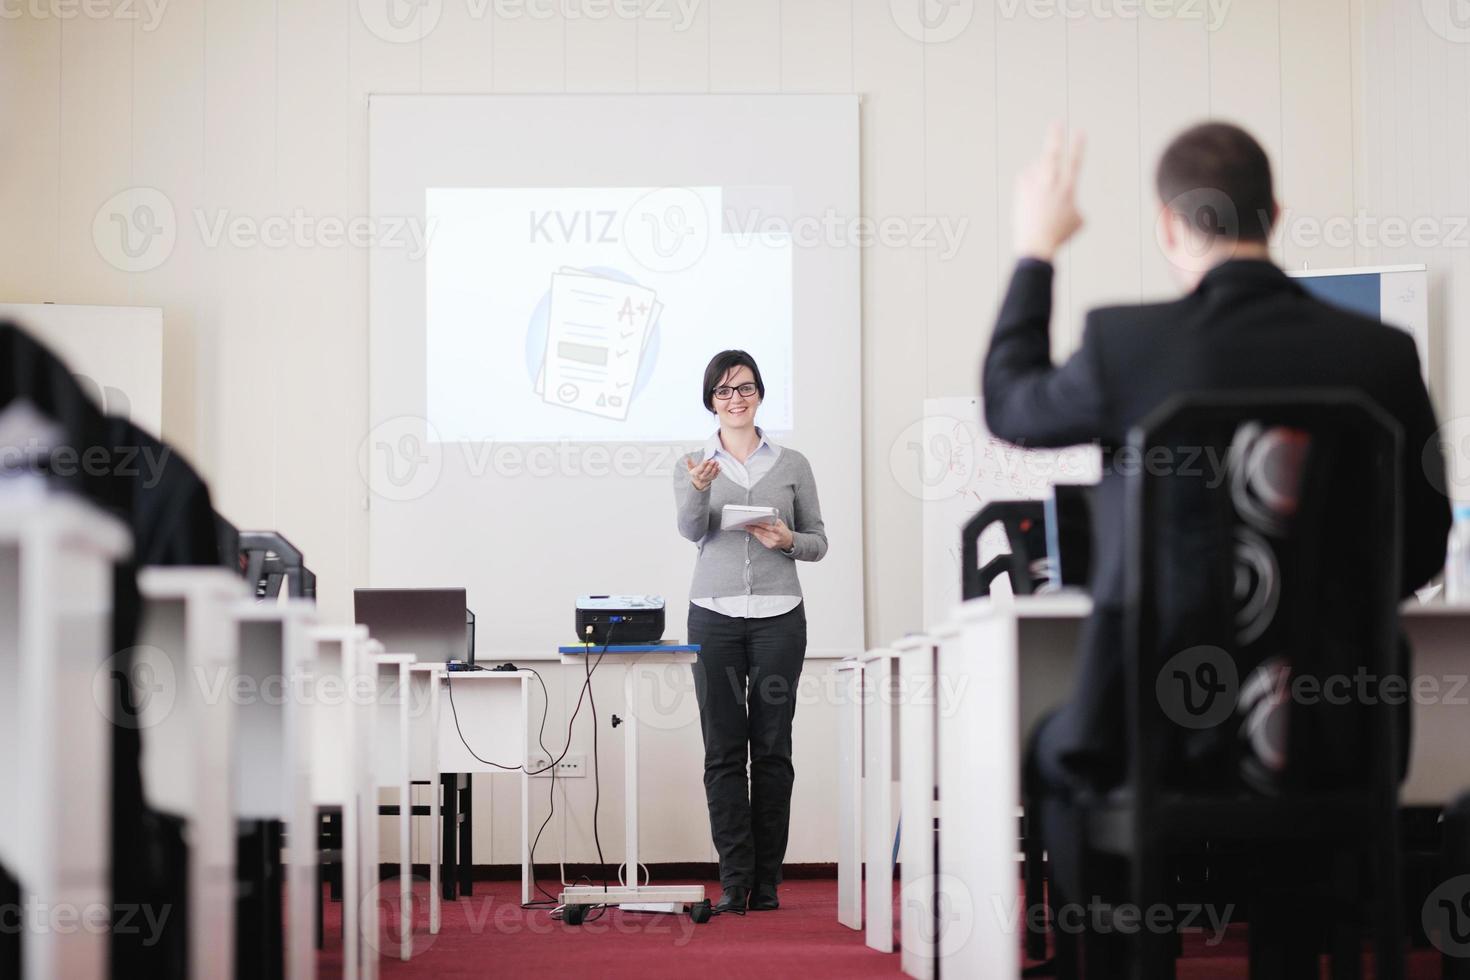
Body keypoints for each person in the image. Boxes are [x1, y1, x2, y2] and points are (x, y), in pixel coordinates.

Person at [982, 121, 1452, 941]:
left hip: (1155, 737)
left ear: (1168, 225)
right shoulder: (1381, 354)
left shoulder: (1127, 346)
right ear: (1276, 213)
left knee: (1053, 754)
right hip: (1338, 735)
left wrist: (1036, 251)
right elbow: (1421, 547)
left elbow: (1010, 405)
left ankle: (1123, 955)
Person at [672, 350, 828, 914]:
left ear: (759, 393)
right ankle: (734, 879)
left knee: (772, 749)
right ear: (710, 400)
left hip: (778, 618)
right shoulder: (694, 462)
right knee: (722, 750)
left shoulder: (792, 464)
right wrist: (697, 489)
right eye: (723, 390)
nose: (735, 398)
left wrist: (786, 541)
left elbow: (818, 541)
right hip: (711, 617)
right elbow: (692, 530)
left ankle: (767, 881)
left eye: (744, 387)